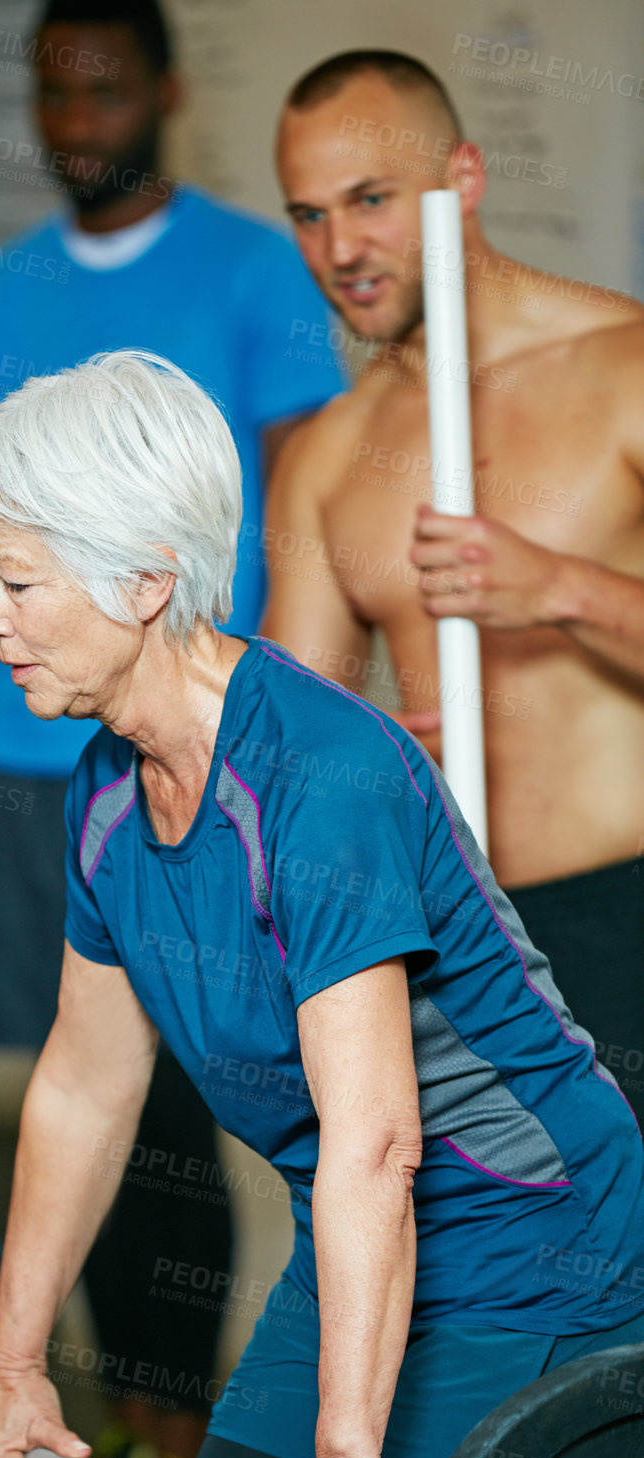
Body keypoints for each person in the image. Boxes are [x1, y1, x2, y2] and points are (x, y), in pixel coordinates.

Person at [0, 349, 644, 1458]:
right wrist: (13, 1369)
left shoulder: (314, 782)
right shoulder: (104, 790)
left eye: (14, 581)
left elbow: (380, 1141)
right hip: (361, 1239)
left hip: (529, 1243)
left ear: (143, 580)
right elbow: (85, 1087)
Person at [0, 0, 345, 1458]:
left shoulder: (249, 271)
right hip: (38, 770)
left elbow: (303, 517)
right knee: (83, 1089)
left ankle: (189, 1439)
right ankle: (108, 1428)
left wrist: (278, 743)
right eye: (53, 95)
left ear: (163, 95)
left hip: (197, 758)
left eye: (103, 92)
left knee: (185, 1109)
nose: (75, 122)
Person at [262, 49, 644, 1125]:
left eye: (370, 201)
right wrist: (373, 764)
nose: (340, 250)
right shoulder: (330, 458)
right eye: (307, 215)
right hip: (451, 939)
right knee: (482, 1290)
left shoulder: (623, 366)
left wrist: (561, 589)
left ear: (462, 178)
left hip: (625, 914)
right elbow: (288, 748)